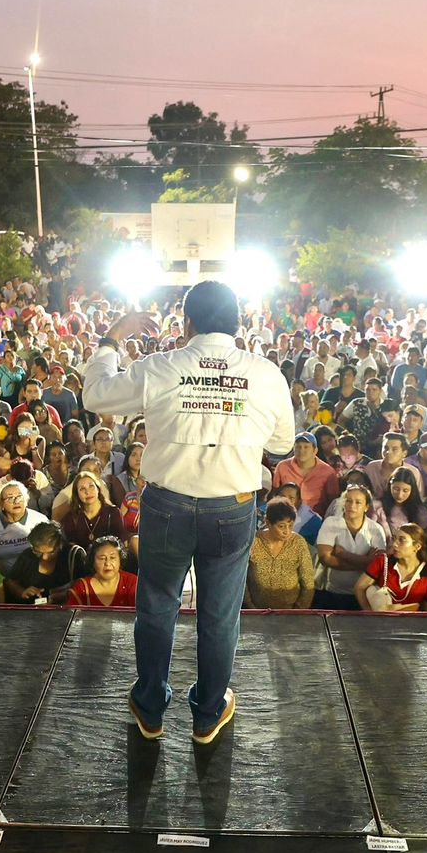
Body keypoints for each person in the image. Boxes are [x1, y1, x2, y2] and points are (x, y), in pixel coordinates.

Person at [82, 281, 295, 744]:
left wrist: (111, 339)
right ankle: (207, 715)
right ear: (237, 323)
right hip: (232, 507)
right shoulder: (265, 374)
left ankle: (152, 709)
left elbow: (95, 394)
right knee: (220, 615)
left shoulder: (162, 367)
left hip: (166, 506)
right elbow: (281, 445)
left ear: (188, 322)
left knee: (157, 606)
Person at [245, 498, 316, 609]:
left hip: (290, 613)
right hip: (256, 611)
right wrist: (250, 607)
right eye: (281, 526)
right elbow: (241, 580)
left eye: (290, 525)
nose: (287, 531)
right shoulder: (253, 542)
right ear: (268, 523)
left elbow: (308, 581)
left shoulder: (298, 542)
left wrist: (299, 611)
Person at [354, 523, 427, 612]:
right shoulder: (383, 562)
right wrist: (370, 613)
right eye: (394, 538)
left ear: (417, 546)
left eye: (401, 540)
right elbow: (359, 587)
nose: (394, 544)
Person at [69, 536, 139, 607]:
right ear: (93, 562)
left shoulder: (133, 583)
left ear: (120, 560)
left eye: (112, 558)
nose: (107, 563)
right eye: (102, 558)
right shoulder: (81, 588)